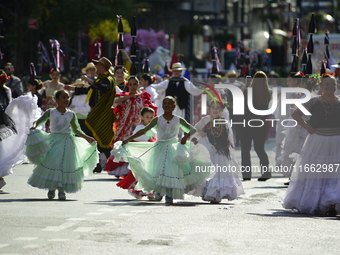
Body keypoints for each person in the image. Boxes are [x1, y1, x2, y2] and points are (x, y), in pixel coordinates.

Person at [111, 96, 211, 205]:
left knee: (171, 170)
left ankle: (169, 194)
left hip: (173, 148)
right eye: (165, 103)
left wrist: (184, 137)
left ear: (174, 106)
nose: (167, 105)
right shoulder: (158, 119)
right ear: (162, 105)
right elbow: (145, 130)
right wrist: (128, 139)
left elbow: (192, 129)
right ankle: (159, 191)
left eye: (169, 103)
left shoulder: (178, 119)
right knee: (158, 170)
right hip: (159, 148)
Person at [282, 74, 340, 215]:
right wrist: (307, 127)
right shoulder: (313, 102)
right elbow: (296, 114)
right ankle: (317, 202)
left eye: (332, 85)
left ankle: (331, 203)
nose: (330, 87)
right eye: (327, 84)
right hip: (317, 140)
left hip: (336, 141)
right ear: (320, 86)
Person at [25, 90, 98, 200]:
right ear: (57, 99)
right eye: (63, 97)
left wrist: (87, 137)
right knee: (54, 164)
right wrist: (34, 126)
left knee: (64, 166)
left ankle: (61, 190)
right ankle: (52, 188)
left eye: (68, 97)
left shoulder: (71, 114)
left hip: (67, 142)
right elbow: (39, 121)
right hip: (53, 141)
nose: (66, 100)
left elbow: (77, 130)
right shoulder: (51, 112)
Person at [69, 57, 116, 173]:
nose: (96, 68)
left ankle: (114, 164)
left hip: (103, 113)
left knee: (102, 138)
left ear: (102, 67)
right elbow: (89, 90)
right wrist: (71, 88)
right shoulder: (100, 79)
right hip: (96, 113)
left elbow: (104, 89)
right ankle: (97, 165)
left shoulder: (108, 79)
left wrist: (89, 80)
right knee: (93, 138)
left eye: (98, 65)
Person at [193, 100, 244, 203]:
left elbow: (229, 133)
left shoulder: (224, 121)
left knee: (219, 172)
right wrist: (200, 132)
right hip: (208, 148)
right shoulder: (205, 119)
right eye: (213, 108)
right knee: (208, 171)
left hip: (220, 150)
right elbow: (195, 128)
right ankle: (207, 192)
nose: (215, 110)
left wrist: (230, 142)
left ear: (221, 110)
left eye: (218, 108)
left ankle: (217, 194)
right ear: (210, 109)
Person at [104, 76, 157, 177]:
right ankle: (121, 171)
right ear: (128, 85)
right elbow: (114, 102)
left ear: (138, 85)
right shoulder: (124, 96)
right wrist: (129, 96)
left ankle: (132, 172)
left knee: (135, 148)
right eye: (131, 84)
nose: (133, 86)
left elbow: (150, 110)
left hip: (138, 128)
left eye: (135, 84)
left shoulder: (143, 96)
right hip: (124, 127)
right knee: (124, 147)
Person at [279, 75, 319, 184]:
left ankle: (296, 177)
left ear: (304, 85)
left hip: (301, 128)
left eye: (301, 84)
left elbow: (295, 112)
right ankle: (297, 176)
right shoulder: (314, 96)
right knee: (301, 152)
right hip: (306, 127)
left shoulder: (305, 97)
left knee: (296, 151)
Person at [116, 107, 157, 199]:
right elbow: (137, 138)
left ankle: (151, 192)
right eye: (147, 117)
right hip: (142, 154)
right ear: (142, 117)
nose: (149, 119)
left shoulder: (153, 128)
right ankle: (139, 191)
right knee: (141, 172)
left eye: (151, 117)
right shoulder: (139, 127)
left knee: (151, 172)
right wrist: (148, 139)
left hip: (151, 154)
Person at [239, 71, 272, 181]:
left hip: (247, 124)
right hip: (262, 124)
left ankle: (246, 174)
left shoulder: (248, 92)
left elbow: (242, 108)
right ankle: (266, 172)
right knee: (260, 148)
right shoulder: (269, 92)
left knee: (245, 149)